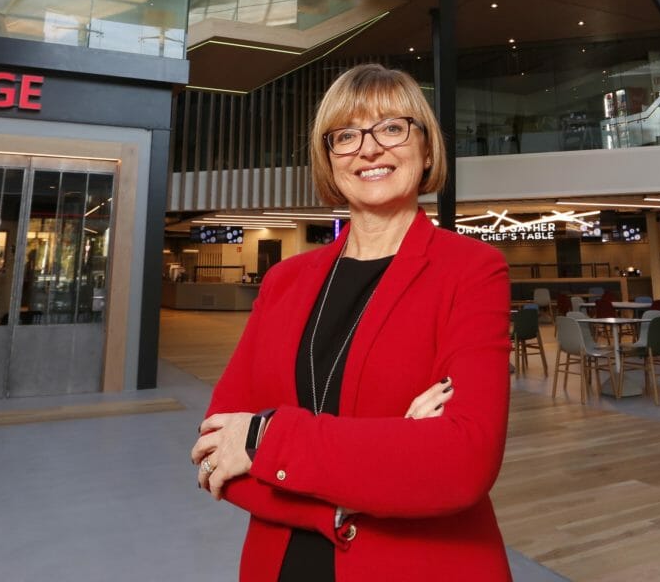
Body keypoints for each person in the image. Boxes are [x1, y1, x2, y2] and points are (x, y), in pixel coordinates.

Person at [190, 63, 511, 581]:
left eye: (391, 128)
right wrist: (353, 491)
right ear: (329, 159)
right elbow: (213, 451)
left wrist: (263, 438)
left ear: (426, 148)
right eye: (346, 135)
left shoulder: (471, 270)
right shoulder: (284, 282)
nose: (368, 148)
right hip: (282, 565)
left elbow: (461, 462)